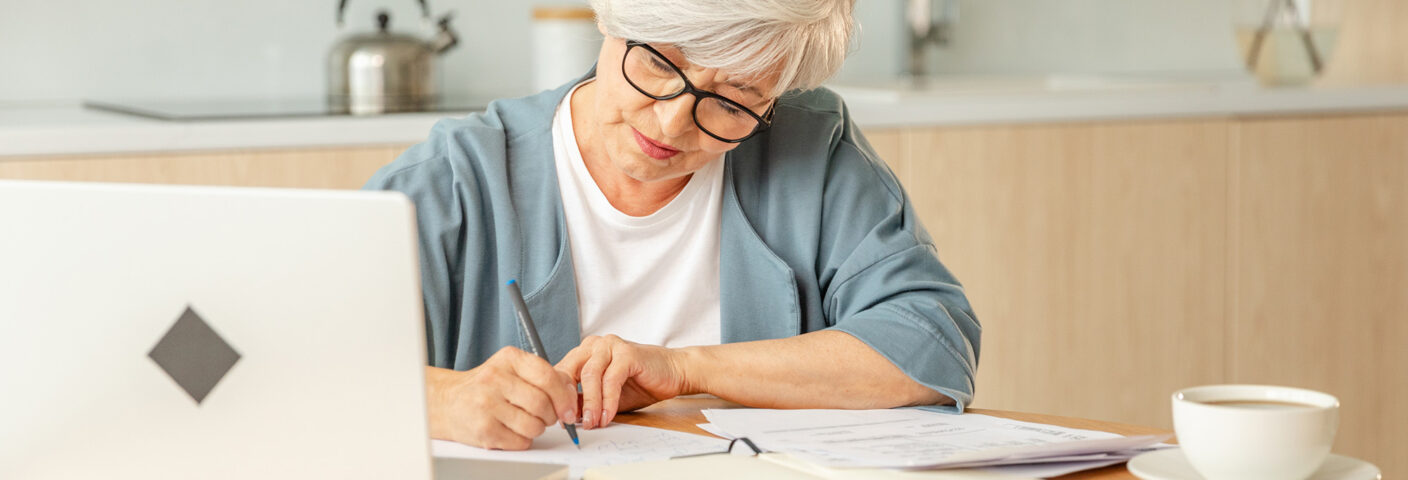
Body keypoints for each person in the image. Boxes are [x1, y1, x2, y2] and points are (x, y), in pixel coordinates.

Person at [364, 0, 980, 451]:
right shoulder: (453, 180)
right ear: (610, 20)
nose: (671, 123)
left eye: (735, 99)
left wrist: (684, 369)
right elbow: (291, 361)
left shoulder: (810, 147)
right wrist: (444, 400)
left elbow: (930, 344)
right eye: (660, 63)